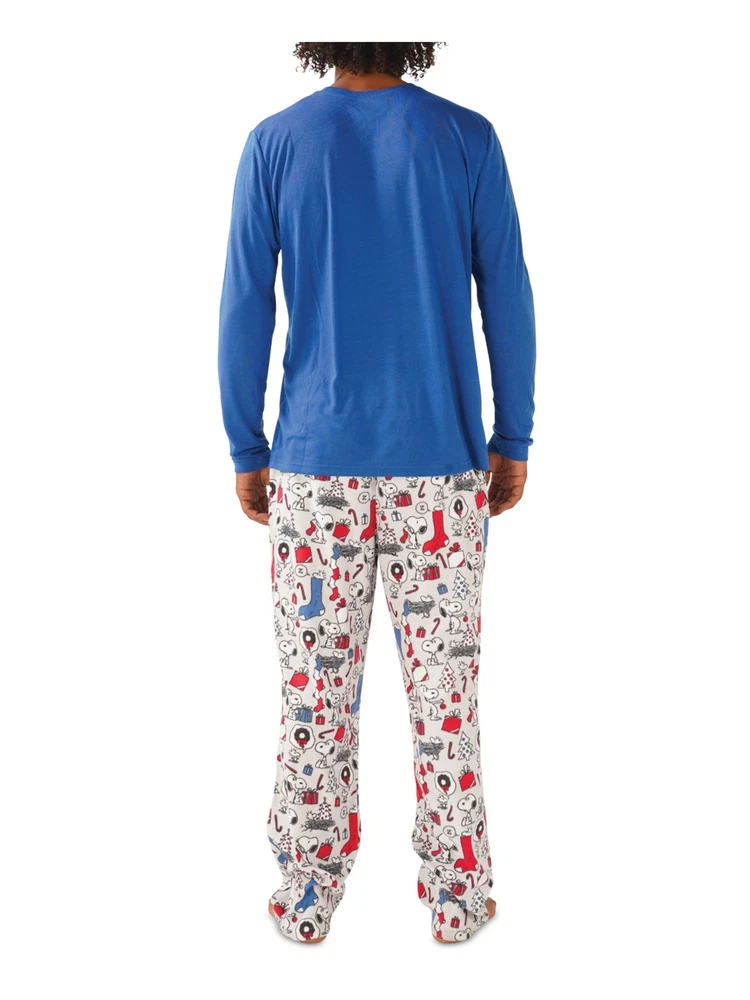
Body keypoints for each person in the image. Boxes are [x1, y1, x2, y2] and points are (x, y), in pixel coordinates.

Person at [218, 41, 536, 944]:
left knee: (313, 697)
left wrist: (247, 444)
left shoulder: (276, 143)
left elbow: (246, 303)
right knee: (446, 696)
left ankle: (307, 891)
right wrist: (512, 436)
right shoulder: (466, 139)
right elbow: (507, 295)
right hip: (441, 467)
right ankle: (458, 896)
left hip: (314, 466)